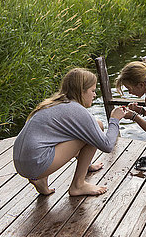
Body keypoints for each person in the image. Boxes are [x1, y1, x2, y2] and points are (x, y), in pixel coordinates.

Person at [13, 68, 127, 196]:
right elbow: (107, 145)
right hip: (37, 163)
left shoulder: (53, 103)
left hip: (20, 162)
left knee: (90, 128)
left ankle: (41, 179)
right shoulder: (76, 110)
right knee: (96, 127)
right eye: (93, 91)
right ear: (81, 91)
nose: (95, 95)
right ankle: (78, 185)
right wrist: (114, 119)